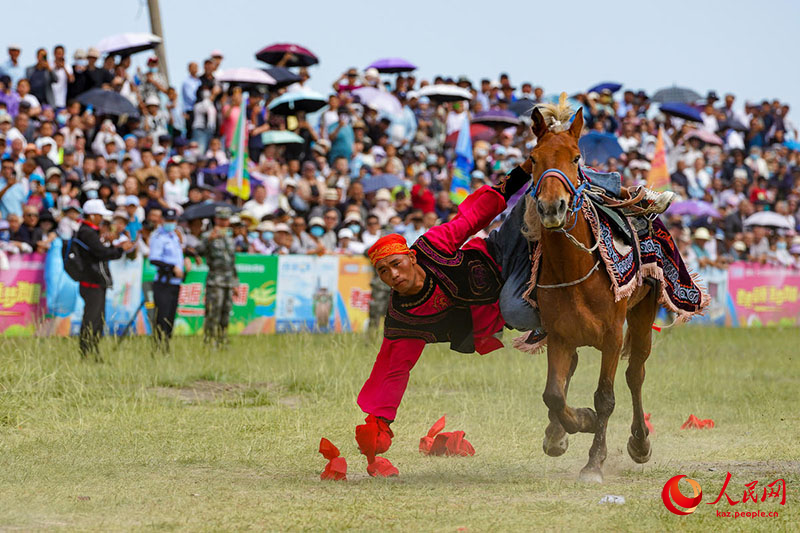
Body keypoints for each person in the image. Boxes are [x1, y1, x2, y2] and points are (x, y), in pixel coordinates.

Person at [74, 199, 134, 359]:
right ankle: (87, 352)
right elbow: (102, 253)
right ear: (92, 215)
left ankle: (93, 351)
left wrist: (110, 245)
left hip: (94, 282)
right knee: (91, 319)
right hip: (92, 283)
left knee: (97, 320)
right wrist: (120, 249)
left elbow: (99, 251)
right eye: (100, 215)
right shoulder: (87, 232)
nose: (102, 219)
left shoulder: (88, 231)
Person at [195, 206, 238, 347]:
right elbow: (198, 251)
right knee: (213, 312)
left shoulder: (230, 238)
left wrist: (235, 283)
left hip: (228, 281)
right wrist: (209, 240)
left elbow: (232, 262)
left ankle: (222, 340)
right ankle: (209, 341)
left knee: (226, 313)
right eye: (221, 219)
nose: (224, 222)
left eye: (226, 219)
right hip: (215, 280)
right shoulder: (208, 236)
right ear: (216, 219)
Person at [148, 208, 187, 351]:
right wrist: (172, 268)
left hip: (175, 283)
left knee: (171, 317)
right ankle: (158, 346)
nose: (171, 223)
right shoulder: (158, 237)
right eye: (168, 220)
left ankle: (166, 346)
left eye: (173, 220)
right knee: (162, 316)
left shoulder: (175, 236)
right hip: (163, 283)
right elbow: (154, 259)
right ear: (162, 220)